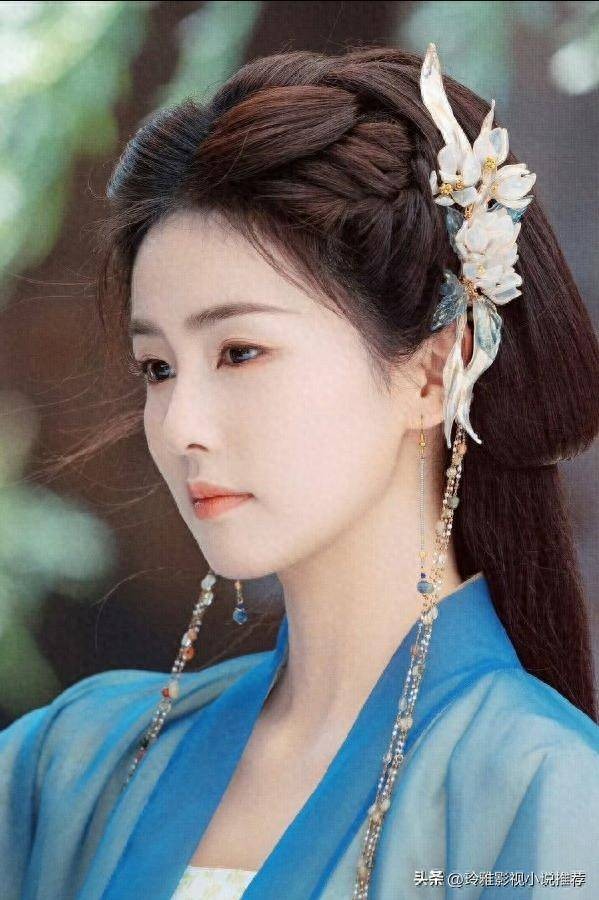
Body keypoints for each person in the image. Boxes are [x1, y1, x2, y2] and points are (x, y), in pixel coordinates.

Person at [1, 43, 599, 900]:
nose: (180, 426)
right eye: (157, 368)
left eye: (239, 351)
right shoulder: (71, 764)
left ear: (433, 373)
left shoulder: (539, 792)